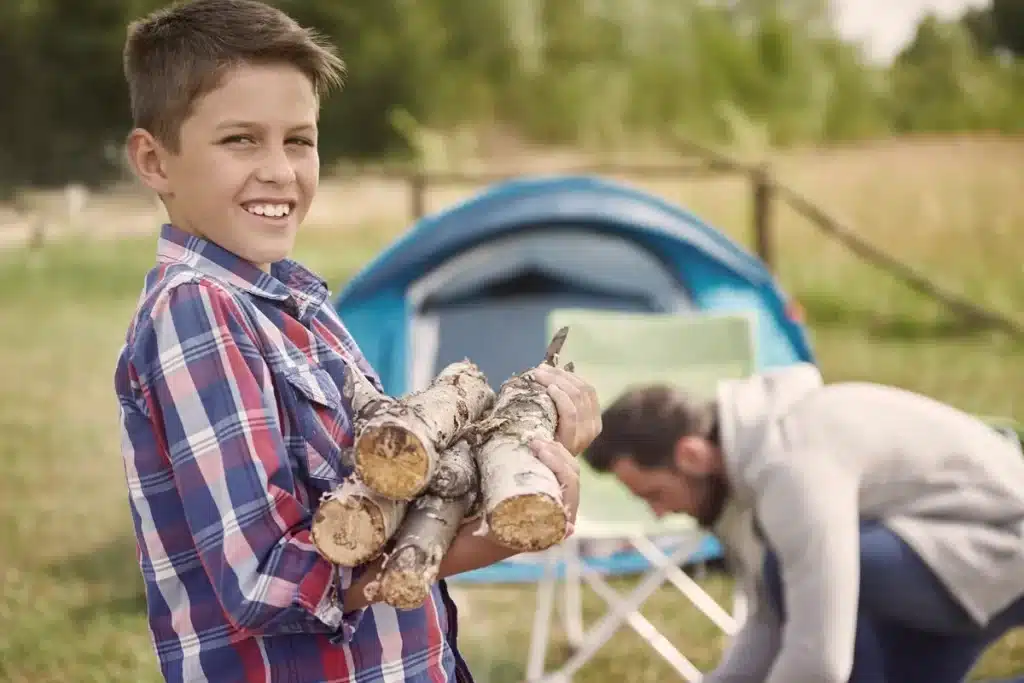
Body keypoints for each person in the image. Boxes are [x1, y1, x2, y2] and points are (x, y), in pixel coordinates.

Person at [112, 2, 602, 682]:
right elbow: (264, 578)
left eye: (299, 140)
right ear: (155, 161)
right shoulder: (199, 311)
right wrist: (485, 543)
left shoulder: (295, 297)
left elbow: (389, 485)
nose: (280, 170)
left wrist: (521, 462)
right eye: (240, 140)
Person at [583, 361, 1024, 683]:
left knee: (811, 589)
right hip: (942, 552)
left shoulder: (790, 466)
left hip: (1001, 542)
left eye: (655, 494)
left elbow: (820, 663)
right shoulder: (745, 475)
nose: (658, 514)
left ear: (691, 456)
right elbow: (770, 625)